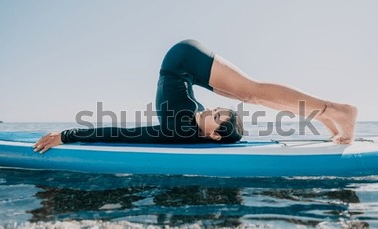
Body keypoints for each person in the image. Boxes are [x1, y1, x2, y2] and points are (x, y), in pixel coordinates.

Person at [34, 39, 357, 154]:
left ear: (214, 134)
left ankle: (334, 113)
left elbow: (122, 133)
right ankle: (331, 112)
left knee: (252, 93)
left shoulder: (182, 129)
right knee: (252, 95)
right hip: (184, 60)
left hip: (181, 61)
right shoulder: (193, 128)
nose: (215, 109)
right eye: (219, 112)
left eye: (218, 115)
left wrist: (67, 135)